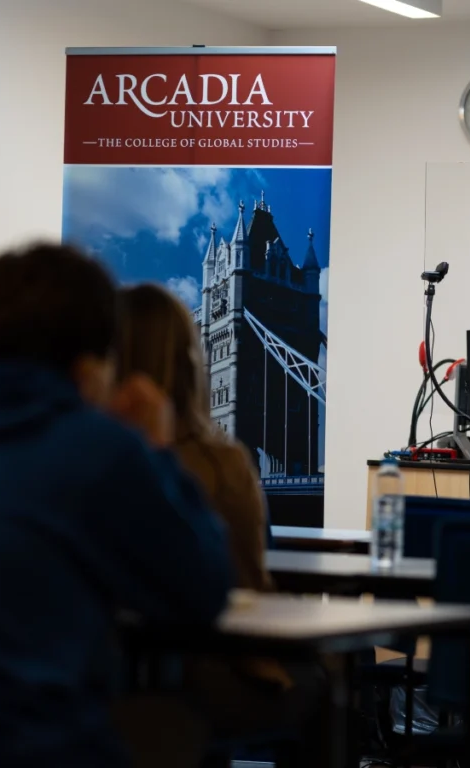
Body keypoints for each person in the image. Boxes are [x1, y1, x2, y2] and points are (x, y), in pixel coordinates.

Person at [0, 243, 233, 768]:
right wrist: (155, 448)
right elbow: (202, 588)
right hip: (46, 748)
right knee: (174, 727)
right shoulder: (97, 451)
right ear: (89, 368)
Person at [115, 283, 322, 756]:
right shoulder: (220, 465)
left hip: (90, 683)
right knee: (325, 683)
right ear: (193, 362)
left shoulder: (73, 453)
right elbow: (240, 588)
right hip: (191, 682)